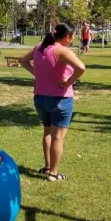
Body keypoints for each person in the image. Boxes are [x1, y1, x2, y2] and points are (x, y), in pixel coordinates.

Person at [18, 23, 86, 182]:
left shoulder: (39, 48)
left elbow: (22, 60)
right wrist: (69, 82)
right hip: (60, 99)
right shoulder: (62, 51)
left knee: (47, 132)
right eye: (73, 36)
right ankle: (53, 173)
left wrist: (37, 73)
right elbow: (81, 68)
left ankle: (48, 166)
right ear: (67, 37)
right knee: (58, 138)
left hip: (40, 98)